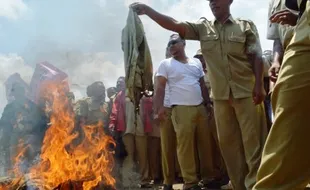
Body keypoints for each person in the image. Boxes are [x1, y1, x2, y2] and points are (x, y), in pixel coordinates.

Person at [130, 1, 267, 189]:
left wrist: (259, 84)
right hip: (221, 98)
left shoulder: (245, 25)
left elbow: (256, 55)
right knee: (228, 145)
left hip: (246, 92)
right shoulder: (203, 29)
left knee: (253, 142)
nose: (212, 3)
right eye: (210, 1)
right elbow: (174, 24)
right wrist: (148, 11)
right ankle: (239, 184)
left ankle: (257, 184)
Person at [254, 0, 310, 189]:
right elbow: (277, 37)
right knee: (286, 120)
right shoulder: (273, 4)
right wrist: (276, 60)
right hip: (302, 41)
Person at [154, 34, 212, 190]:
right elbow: (160, 88)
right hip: (178, 108)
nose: (171, 46)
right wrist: (158, 108)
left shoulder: (196, 62)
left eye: (174, 42)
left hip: (200, 107)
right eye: (169, 44)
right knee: (181, 147)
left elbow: (201, 84)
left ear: (183, 43)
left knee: (205, 145)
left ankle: (208, 178)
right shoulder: (165, 64)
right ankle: (189, 182)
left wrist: (207, 103)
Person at [194, 50, 230, 189]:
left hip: (216, 108)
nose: (200, 60)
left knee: (221, 142)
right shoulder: (197, 74)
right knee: (208, 146)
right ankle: (215, 174)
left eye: (201, 57)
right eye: (198, 58)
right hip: (203, 112)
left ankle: (227, 172)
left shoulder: (213, 70)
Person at [109, 77, 149, 188]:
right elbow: (115, 112)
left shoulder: (141, 93)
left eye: (121, 82)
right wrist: (112, 125)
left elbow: (149, 108)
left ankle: (144, 180)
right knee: (129, 155)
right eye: (118, 83)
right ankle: (129, 181)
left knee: (142, 154)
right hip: (126, 129)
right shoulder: (119, 96)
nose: (119, 85)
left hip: (140, 128)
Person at [0, 83, 46, 175]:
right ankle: (16, 176)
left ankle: (31, 175)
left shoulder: (32, 106)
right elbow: (4, 124)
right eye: (16, 94)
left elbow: (41, 122)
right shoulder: (9, 108)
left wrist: (29, 127)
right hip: (16, 138)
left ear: (23, 93)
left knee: (31, 161)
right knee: (14, 161)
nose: (18, 95)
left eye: (19, 93)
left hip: (31, 137)